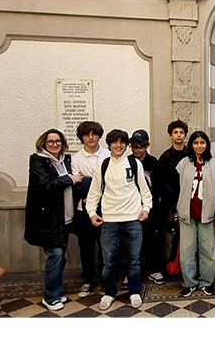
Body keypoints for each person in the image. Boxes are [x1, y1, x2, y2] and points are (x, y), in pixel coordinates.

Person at [86, 129, 152, 310]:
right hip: (109, 220)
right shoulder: (103, 164)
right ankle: (109, 293)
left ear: (126, 144)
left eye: (122, 142)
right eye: (115, 142)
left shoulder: (134, 163)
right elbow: (94, 192)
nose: (118, 145)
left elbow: (145, 190)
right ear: (109, 144)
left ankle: (134, 292)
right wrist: (92, 213)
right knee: (109, 261)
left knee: (134, 259)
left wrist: (146, 208)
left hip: (133, 218)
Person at [25, 129, 84, 311]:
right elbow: (46, 186)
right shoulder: (38, 160)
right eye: (50, 141)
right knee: (55, 255)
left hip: (65, 218)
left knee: (60, 258)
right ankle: (50, 297)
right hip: (48, 220)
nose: (54, 144)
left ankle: (56, 291)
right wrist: (71, 178)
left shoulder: (65, 160)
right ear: (44, 144)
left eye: (58, 141)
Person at [175, 131, 215, 297]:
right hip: (187, 214)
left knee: (208, 251)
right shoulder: (184, 164)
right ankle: (189, 283)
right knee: (187, 251)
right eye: (196, 143)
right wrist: (176, 211)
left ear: (207, 145)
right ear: (191, 145)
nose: (199, 146)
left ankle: (206, 282)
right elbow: (176, 189)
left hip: (207, 213)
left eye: (202, 142)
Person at [70, 121, 110, 298]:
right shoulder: (76, 158)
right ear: (82, 137)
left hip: (106, 208)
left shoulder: (108, 154)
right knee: (86, 247)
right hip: (84, 209)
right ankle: (87, 279)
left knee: (106, 245)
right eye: (87, 134)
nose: (91, 137)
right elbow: (78, 181)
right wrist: (87, 194)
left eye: (94, 134)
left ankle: (106, 278)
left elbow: (110, 180)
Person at [128, 129, 165, 286]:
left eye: (140, 147)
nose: (137, 150)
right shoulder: (127, 162)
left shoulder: (154, 163)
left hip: (151, 208)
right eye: (134, 147)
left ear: (147, 145)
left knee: (153, 240)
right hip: (131, 208)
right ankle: (130, 273)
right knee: (130, 241)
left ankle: (153, 269)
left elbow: (159, 186)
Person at [158, 120, 189, 277]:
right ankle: (168, 269)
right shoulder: (165, 157)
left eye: (181, 132)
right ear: (170, 135)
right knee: (169, 238)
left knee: (187, 237)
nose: (178, 135)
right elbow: (161, 181)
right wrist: (172, 197)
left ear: (185, 135)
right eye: (175, 132)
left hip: (188, 201)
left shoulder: (190, 154)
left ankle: (185, 269)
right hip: (170, 203)